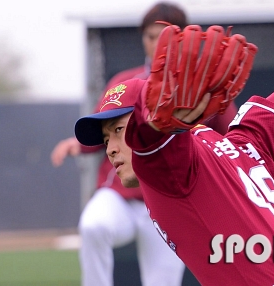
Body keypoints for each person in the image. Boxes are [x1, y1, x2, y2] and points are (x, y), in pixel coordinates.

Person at [73, 75, 274, 285]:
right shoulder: (250, 140)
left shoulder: (171, 166)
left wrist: (158, 116)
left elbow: (151, 140)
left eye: (118, 130)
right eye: (105, 137)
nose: (110, 148)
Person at [51, 2, 237, 285]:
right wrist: (77, 145)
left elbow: (230, 139)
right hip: (122, 196)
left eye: (166, 37)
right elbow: (101, 132)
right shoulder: (125, 82)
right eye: (151, 37)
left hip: (170, 201)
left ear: (183, 39)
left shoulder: (201, 88)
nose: (158, 44)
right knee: (93, 225)